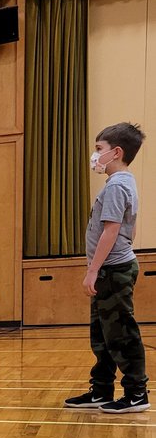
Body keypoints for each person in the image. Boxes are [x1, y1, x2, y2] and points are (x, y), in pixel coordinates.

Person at [64, 122, 150, 413]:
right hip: (108, 270)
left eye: (98, 149)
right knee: (102, 333)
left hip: (112, 270)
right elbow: (132, 227)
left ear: (116, 152)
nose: (94, 155)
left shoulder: (116, 186)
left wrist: (92, 270)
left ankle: (137, 393)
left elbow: (110, 231)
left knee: (121, 333)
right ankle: (101, 390)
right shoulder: (125, 182)